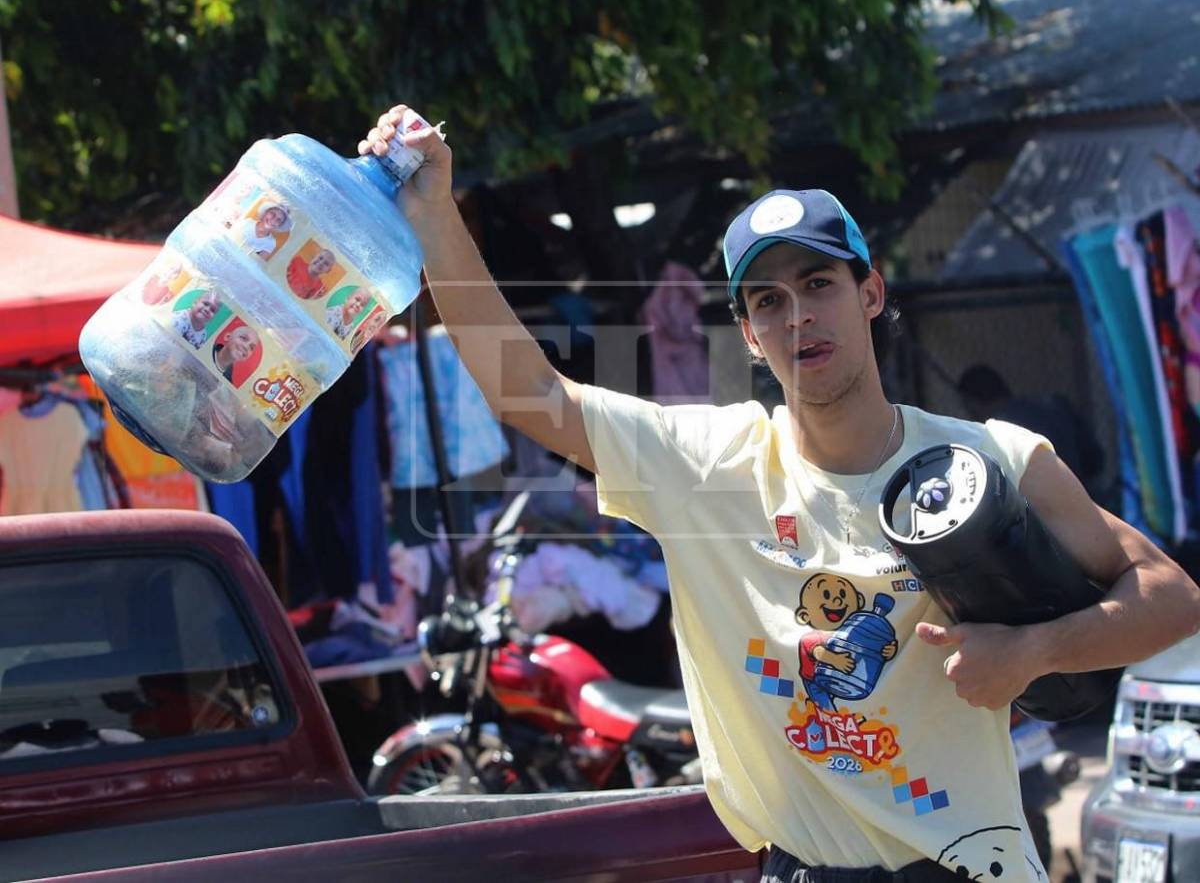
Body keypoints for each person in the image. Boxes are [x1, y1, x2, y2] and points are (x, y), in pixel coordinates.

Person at [360, 105, 1200, 883]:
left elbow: (1172, 595)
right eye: (768, 300)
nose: (799, 315)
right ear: (751, 337)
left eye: (820, 284)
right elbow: (529, 394)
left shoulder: (989, 460)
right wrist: (435, 211)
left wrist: (1036, 652)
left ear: (870, 294)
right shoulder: (707, 467)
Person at [957, 364, 1104, 491]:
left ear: (973, 403)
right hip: (1084, 497)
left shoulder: (995, 434)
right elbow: (1095, 460)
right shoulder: (1056, 405)